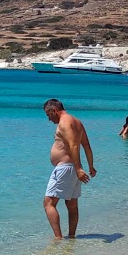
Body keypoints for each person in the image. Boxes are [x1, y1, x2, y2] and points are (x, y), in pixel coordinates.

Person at [42, 99, 94, 240]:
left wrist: (78, 169)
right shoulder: (77, 122)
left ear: (54, 110)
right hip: (73, 168)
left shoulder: (64, 122)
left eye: (48, 115)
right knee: (71, 204)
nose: (49, 119)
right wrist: (90, 166)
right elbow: (87, 146)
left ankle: (58, 238)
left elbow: (73, 146)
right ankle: (71, 237)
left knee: (48, 204)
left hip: (66, 168)